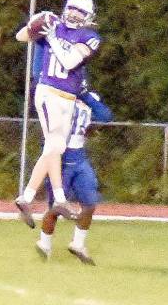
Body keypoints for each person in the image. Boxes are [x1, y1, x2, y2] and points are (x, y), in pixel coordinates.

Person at [15, 0, 101, 228]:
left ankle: (27, 197)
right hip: (49, 91)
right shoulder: (55, 27)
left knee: (55, 148)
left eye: (80, 12)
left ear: (88, 17)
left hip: (68, 97)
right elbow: (21, 37)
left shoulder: (89, 37)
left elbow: (70, 61)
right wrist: (35, 24)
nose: (74, 14)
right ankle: (60, 199)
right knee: (55, 146)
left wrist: (51, 36)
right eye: (71, 9)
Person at [36, 91, 113, 265]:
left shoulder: (88, 97)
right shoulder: (57, 96)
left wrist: (86, 97)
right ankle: (44, 244)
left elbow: (106, 116)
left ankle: (78, 244)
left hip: (79, 157)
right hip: (60, 156)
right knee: (56, 206)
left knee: (90, 202)